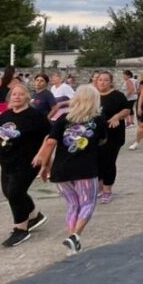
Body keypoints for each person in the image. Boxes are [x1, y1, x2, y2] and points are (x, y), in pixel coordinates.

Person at [34, 85, 103, 254]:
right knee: (87, 203)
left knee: (73, 205)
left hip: (61, 170)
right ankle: (75, 236)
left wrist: (44, 165)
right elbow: (102, 141)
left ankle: (72, 241)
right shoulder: (98, 120)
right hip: (85, 169)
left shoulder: (63, 119)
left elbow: (50, 142)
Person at [0, 84, 48, 247]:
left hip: (28, 161)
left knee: (15, 192)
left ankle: (20, 229)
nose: (16, 96)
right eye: (14, 94)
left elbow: (49, 137)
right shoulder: (5, 115)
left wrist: (43, 156)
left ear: (27, 97)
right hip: (7, 161)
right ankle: (34, 215)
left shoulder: (35, 116)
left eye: (20, 94)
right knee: (9, 192)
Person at [92, 72, 132, 203]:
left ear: (110, 82)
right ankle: (99, 185)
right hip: (95, 134)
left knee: (108, 161)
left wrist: (116, 116)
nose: (102, 82)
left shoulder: (117, 96)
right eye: (100, 80)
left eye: (105, 80)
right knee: (96, 161)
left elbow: (126, 110)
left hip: (113, 134)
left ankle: (107, 190)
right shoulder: (93, 96)